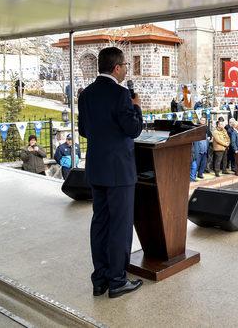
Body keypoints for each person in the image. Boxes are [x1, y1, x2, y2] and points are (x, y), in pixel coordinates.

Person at [78, 47, 144, 299]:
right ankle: (117, 281)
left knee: (100, 223)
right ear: (117, 68)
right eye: (125, 65)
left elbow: (84, 130)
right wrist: (136, 107)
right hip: (119, 172)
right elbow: (133, 129)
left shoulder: (86, 94)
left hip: (96, 169)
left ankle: (100, 279)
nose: (126, 69)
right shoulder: (121, 94)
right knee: (120, 226)